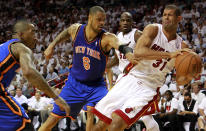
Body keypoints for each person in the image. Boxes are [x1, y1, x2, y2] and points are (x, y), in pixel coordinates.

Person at [90, 4, 197, 131]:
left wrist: (189, 69)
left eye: (170, 15)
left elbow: (182, 75)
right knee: (102, 123)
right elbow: (139, 52)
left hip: (148, 87)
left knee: (116, 125)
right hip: (130, 78)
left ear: (179, 18)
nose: (166, 17)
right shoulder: (153, 30)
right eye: (164, 15)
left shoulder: (182, 45)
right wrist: (168, 54)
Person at [39, 6, 137, 131]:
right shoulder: (76, 30)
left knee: (112, 116)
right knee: (52, 118)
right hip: (74, 84)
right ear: (90, 18)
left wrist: (127, 52)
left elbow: (120, 44)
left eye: (104, 20)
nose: (102, 23)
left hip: (96, 87)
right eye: (99, 19)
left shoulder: (106, 38)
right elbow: (67, 31)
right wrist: (52, 45)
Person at [0, 20, 70, 131]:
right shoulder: (20, 47)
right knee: (23, 123)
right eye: (33, 32)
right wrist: (56, 97)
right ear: (21, 34)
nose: (36, 37)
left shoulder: (3, 47)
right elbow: (29, 72)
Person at [106, 12, 159, 131]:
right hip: (123, 77)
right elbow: (117, 58)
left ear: (132, 23)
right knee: (115, 111)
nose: (125, 22)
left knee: (144, 116)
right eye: (123, 20)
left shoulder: (137, 35)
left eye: (128, 20)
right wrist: (105, 66)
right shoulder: (117, 37)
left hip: (138, 78)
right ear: (119, 22)